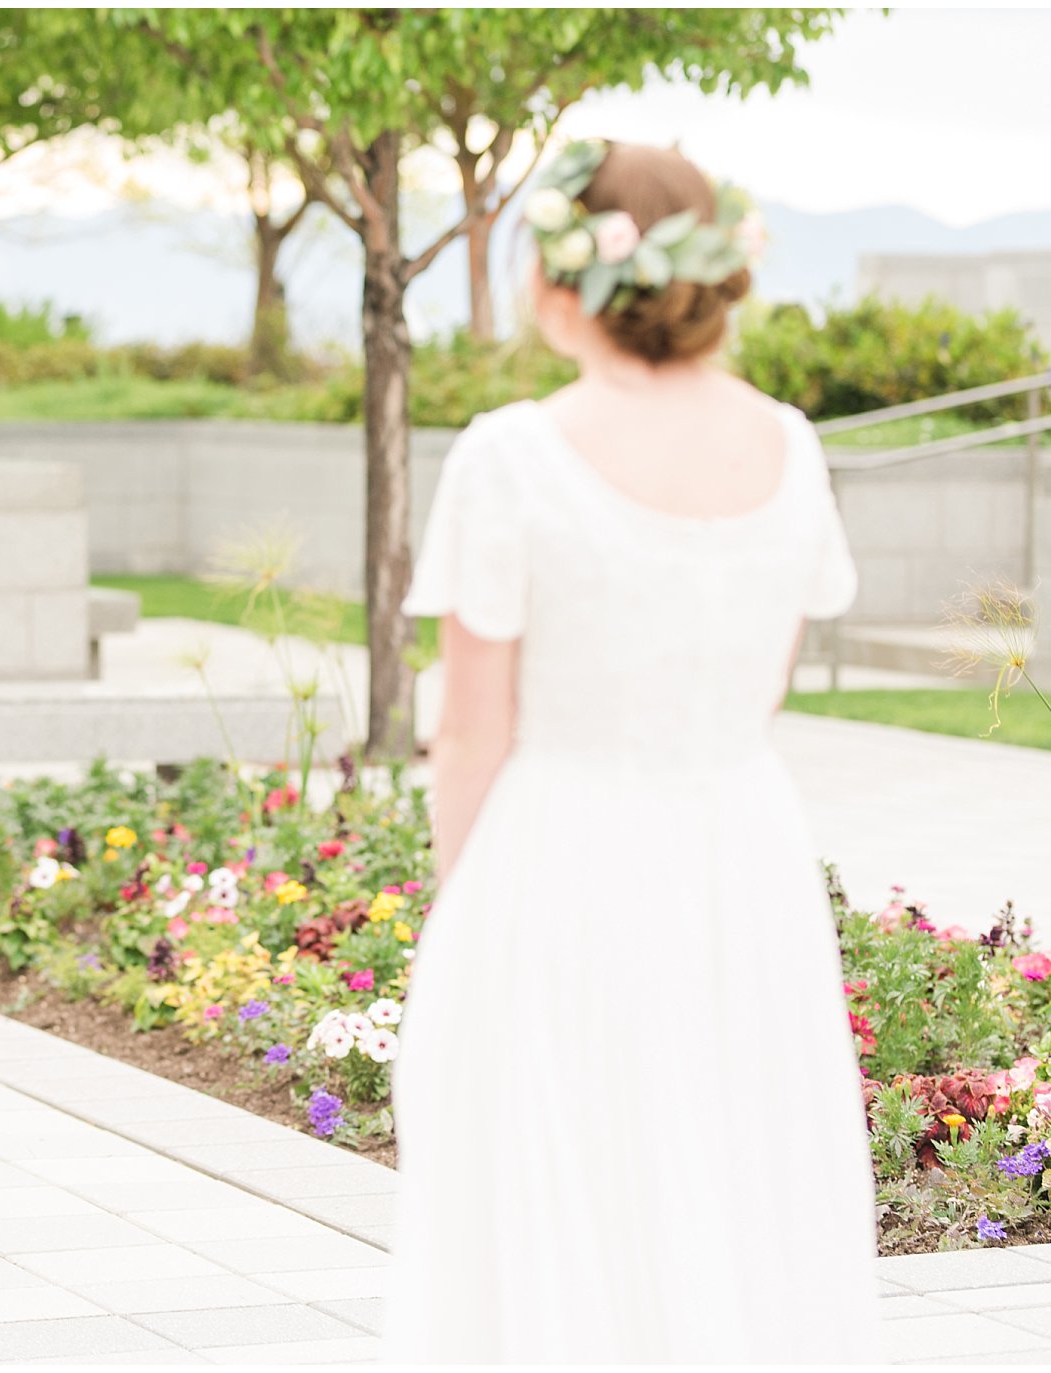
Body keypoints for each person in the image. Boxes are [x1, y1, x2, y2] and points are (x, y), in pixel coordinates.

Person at [381, 140, 882, 1362]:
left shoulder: (512, 454)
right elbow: (756, 690)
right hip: (740, 853)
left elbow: (471, 727)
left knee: (560, 1169)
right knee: (736, 1161)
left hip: (563, 850)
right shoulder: (790, 446)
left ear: (559, 284)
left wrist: (467, 905)